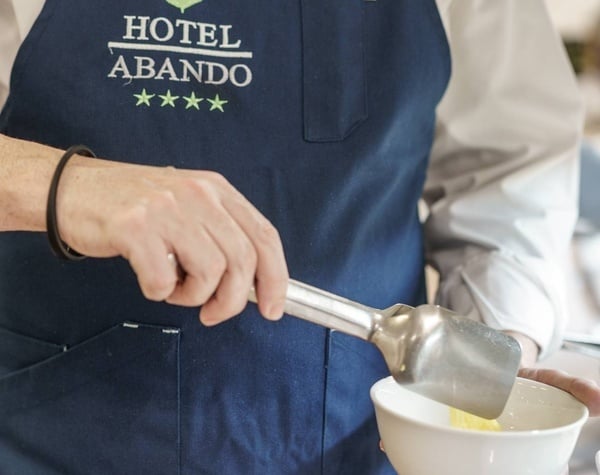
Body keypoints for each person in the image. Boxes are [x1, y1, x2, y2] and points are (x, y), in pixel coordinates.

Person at [0, 0, 598, 473]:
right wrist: (62, 185)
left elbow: (508, 173)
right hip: (52, 436)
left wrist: (483, 356)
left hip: (358, 444)